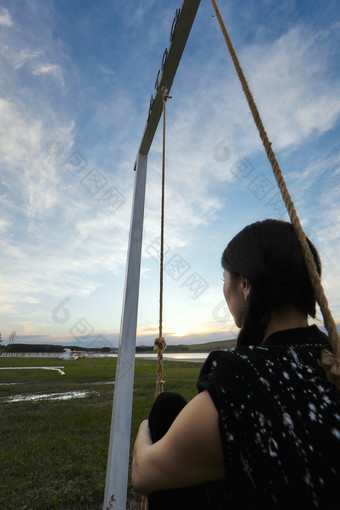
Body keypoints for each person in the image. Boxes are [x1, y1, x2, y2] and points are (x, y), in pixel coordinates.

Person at [132, 219, 340, 509]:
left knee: (166, 407)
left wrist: (145, 427)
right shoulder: (332, 357)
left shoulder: (240, 376)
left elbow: (143, 473)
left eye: (224, 279)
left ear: (244, 284)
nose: (224, 288)